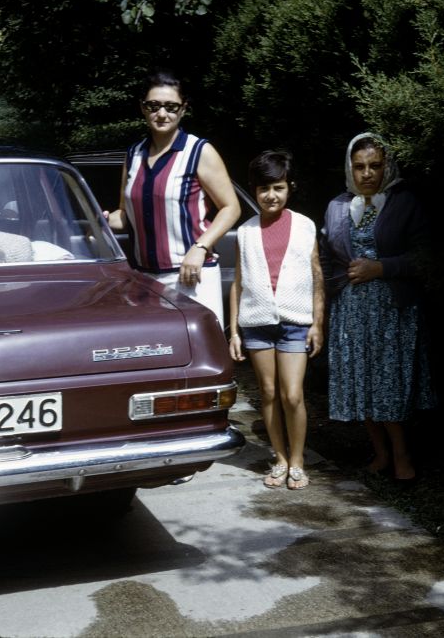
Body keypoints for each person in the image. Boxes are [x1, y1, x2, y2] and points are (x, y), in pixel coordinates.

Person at [320, 132, 435, 484]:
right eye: (359, 167)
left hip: (392, 312)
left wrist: (383, 267)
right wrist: (334, 289)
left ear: (387, 167)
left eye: (375, 165)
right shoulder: (338, 206)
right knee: (361, 382)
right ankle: (380, 453)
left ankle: (401, 454)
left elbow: (425, 256)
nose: (367, 173)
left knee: (390, 385)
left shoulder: (404, 203)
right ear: (349, 169)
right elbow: (326, 259)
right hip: (351, 312)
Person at [105, 68, 240, 328]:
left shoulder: (199, 151)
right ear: (142, 108)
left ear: (183, 109)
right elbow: (125, 216)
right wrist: (101, 220)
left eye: (171, 106)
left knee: (199, 360)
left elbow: (230, 207)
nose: (162, 113)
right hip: (144, 281)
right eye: (154, 106)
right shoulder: (133, 154)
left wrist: (200, 248)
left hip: (191, 278)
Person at [229, 151, 324, 490]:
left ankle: (298, 461)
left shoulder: (304, 226)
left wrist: (317, 323)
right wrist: (235, 332)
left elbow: (316, 276)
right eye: (264, 188)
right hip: (256, 323)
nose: (271, 195)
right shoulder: (245, 232)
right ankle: (280, 458)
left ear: (289, 188)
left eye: (279, 187)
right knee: (268, 393)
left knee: (293, 395)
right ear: (254, 191)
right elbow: (238, 284)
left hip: (296, 323)